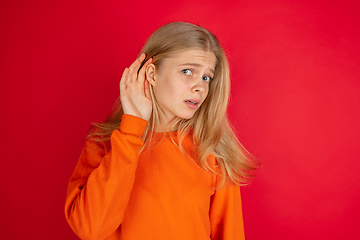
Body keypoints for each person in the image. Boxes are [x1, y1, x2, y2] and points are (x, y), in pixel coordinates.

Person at [64, 21, 259, 240]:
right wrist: (131, 130)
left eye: (206, 77)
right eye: (187, 71)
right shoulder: (103, 144)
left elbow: (230, 234)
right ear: (151, 73)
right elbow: (91, 229)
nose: (200, 87)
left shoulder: (211, 151)